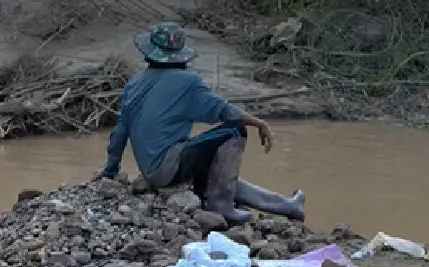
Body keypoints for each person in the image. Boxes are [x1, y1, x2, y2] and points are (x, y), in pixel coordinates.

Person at [100, 22, 304, 225]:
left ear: (148, 54)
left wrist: (109, 171)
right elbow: (226, 111)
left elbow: (119, 134)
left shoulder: (134, 84)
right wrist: (259, 123)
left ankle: (288, 206)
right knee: (235, 129)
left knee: (215, 174)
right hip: (169, 170)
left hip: (152, 172)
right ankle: (221, 205)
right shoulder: (187, 82)